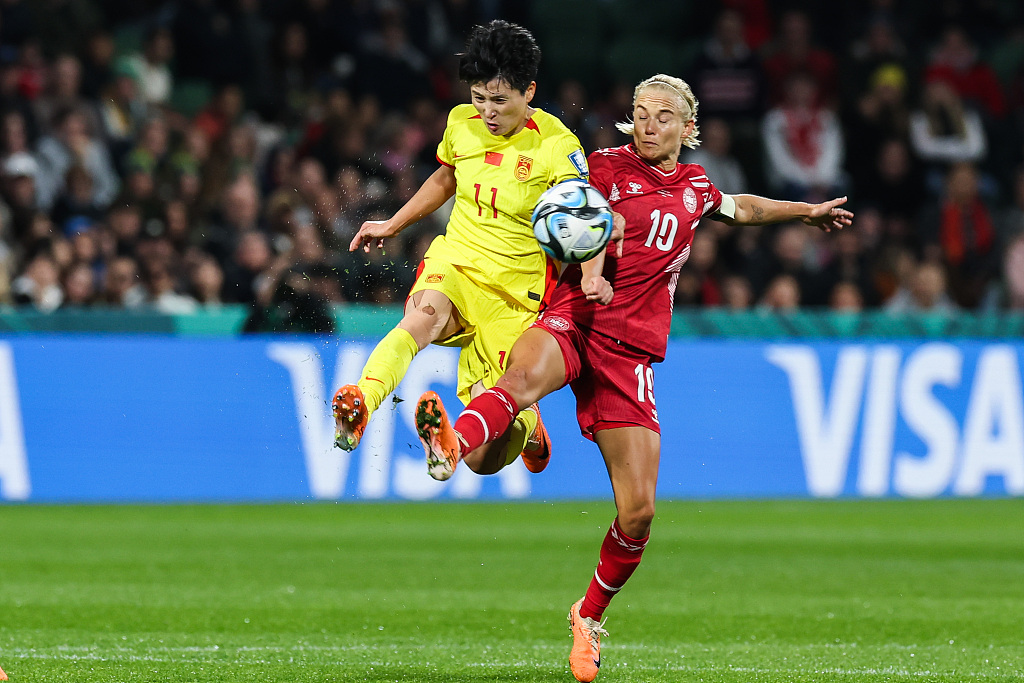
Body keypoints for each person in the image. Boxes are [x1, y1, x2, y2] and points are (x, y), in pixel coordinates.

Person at [412, 74, 852, 682]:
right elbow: (585, 216)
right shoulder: (600, 166)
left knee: (639, 512)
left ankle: (588, 616)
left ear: (688, 127)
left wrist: (804, 211)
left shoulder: (696, 188)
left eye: (663, 116)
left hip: (629, 353)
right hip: (574, 316)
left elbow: (742, 207)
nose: (649, 125)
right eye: (641, 113)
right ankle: (452, 444)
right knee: (516, 383)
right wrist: (590, 271)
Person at [332, 20, 591, 475]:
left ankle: (530, 429)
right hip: (458, 261)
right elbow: (446, 177)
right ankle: (362, 403)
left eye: (499, 100)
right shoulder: (460, 123)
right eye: (478, 97)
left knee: (480, 460)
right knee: (421, 319)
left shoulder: (557, 145)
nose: (487, 111)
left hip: (514, 297)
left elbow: (583, 216)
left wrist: (590, 271)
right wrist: (393, 223)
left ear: (529, 91)